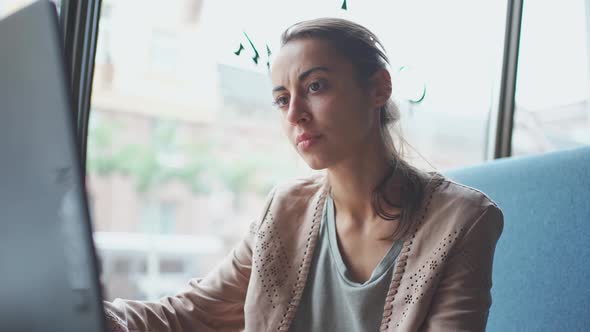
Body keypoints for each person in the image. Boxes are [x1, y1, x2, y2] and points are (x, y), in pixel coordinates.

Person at [105, 18, 503, 332]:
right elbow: (189, 314)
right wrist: (89, 315)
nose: (294, 113)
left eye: (316, 86)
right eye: (281, 99)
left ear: (379, 89)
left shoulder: (462, 221)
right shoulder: (284, 211)